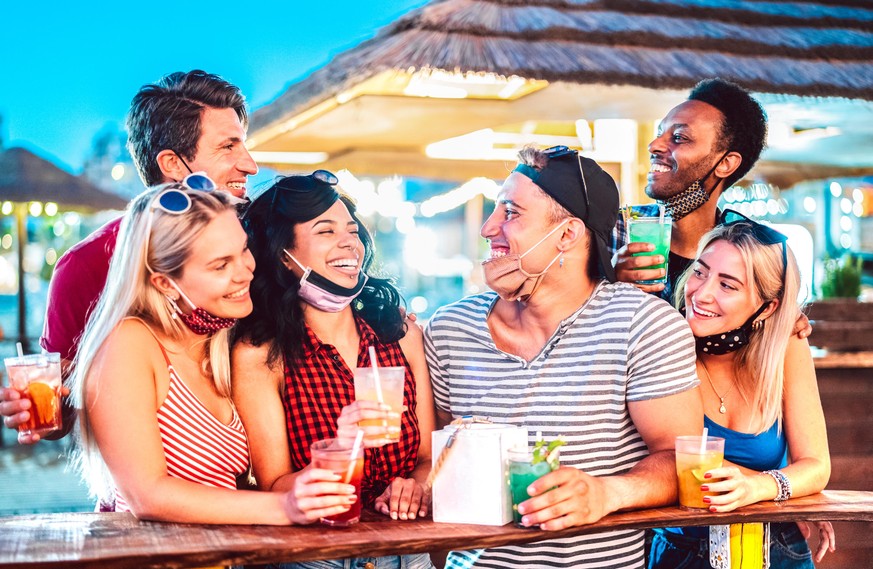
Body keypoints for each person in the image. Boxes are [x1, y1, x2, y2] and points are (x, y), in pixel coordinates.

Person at [424, 146, 703, 568]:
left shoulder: (642, 325)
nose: (488, 228)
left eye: (510, 213)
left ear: (568, 234)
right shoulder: (450, 329)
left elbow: (680, 456)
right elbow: (432, 460)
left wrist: (607, 493)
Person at [69, 176, 353, 524]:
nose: (245, 271)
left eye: (244, 250)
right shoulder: (131, 343)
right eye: (221, 265)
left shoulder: (218, 339)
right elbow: (148, 495)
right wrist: (286, 506)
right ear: (165, 283)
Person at [0, 69, 259, 443]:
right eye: (228, 147)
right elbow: (59, 416)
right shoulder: (87, 265)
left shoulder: (257, 240)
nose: (250, 164)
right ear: (172, 164)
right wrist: (34, 410)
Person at [232, 171, 436, 569]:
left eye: (352, 229)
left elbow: (427, 456)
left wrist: (417, 486)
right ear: (282, 254)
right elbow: (275, 485)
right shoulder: (260, 354)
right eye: (325, 231)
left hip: (409, 549)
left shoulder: (399, 334)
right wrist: (343, 449)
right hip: (317, 555)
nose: (349, 242)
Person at [649, 210, 835, 568]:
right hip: (683, 551)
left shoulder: (787, 345)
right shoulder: (664, 341)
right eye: (699, 272)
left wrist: (760, 490)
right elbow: (682, 465)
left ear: (768, 307)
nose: (701, 294)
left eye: (728, 285)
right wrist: (788, 492)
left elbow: (817, 466)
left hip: (778, 548)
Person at [613, 78, 767, 302]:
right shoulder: (614, 232)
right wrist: (607, 284)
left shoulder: (749, 257)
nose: (653, 145)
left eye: (679, 138)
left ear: (725, 163)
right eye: (660, 133)